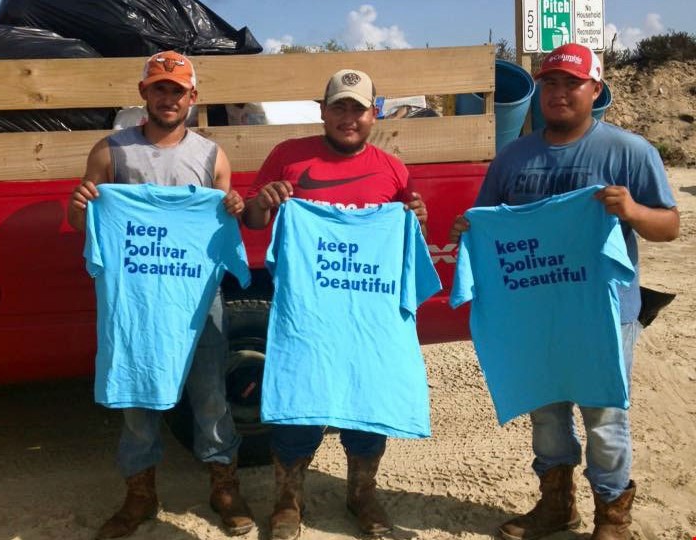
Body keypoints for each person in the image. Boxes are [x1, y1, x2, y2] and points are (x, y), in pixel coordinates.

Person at [450, 43, 679, 540]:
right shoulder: (513, 158)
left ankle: (612, 516)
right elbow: (484, 222)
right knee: (546, 412)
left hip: (605, 312)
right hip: (534, 312)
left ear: (595, 89)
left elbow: (670, 226)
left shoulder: (628, 151)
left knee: (605, 416)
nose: (558, 93)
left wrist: (634, 211)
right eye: (550, 83)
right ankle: (557, 506)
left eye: (571, 83)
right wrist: (469, 230)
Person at [67, 50, 254, 539]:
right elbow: (83, 224)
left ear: (193, 97)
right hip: (136, 307)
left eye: (178, 90)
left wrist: (233, 206)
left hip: (198, 305)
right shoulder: (111, 152)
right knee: (137, 399)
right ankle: (140, 494)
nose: (168, 98)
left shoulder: (211, 156)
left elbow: (224, 223)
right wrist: (80, 204)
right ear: (144, 93)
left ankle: (224, 487)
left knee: (210, 396)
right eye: (159, 89)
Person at [242, 68, 428, 539]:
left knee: (368, 401)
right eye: (339, 107)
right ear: (323, 111)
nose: (349, 117)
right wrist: (263, 201)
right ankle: (288, 500)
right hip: (307, 315)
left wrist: (416, 219)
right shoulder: (288, 156)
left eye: (358, 109)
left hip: (369, 317)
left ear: (373, 114)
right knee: (299, 402)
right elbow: (253, 219)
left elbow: (406, 238)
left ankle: (362, 494)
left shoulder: (392, 169)